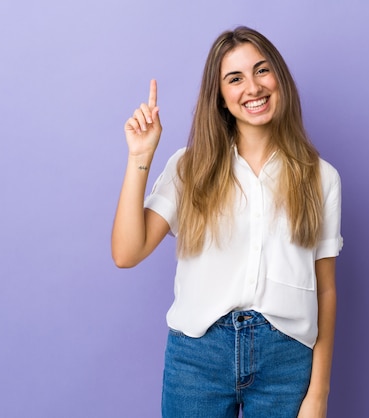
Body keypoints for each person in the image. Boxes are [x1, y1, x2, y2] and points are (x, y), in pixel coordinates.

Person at [112, 26, 342, 418]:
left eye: (262, 70)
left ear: (279, 78)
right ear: (220, 96)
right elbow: (127, 252)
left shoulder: (320, 177)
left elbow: (325, 291)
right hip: (198, 360)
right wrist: (140, 156)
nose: (252, 87)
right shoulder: (190, 167)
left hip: (286, 361)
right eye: (235, 78)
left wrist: (317, 394)